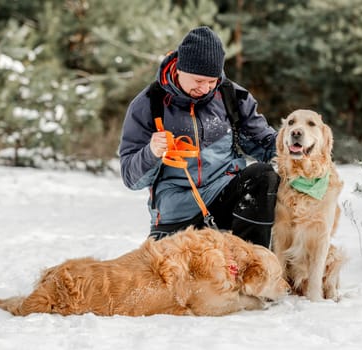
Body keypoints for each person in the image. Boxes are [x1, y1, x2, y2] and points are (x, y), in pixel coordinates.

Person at [119, 26, 279, 247]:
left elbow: (266, 144)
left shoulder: (231, 96)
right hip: (177, 210)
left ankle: (252, 265)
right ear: (180, 69)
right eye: (198, 81)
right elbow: (130, 178)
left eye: (212, 81)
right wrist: (151, 152)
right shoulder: (148, 104)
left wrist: (299, 146)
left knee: (263, 175)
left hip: (224, 195)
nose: (205, 89)